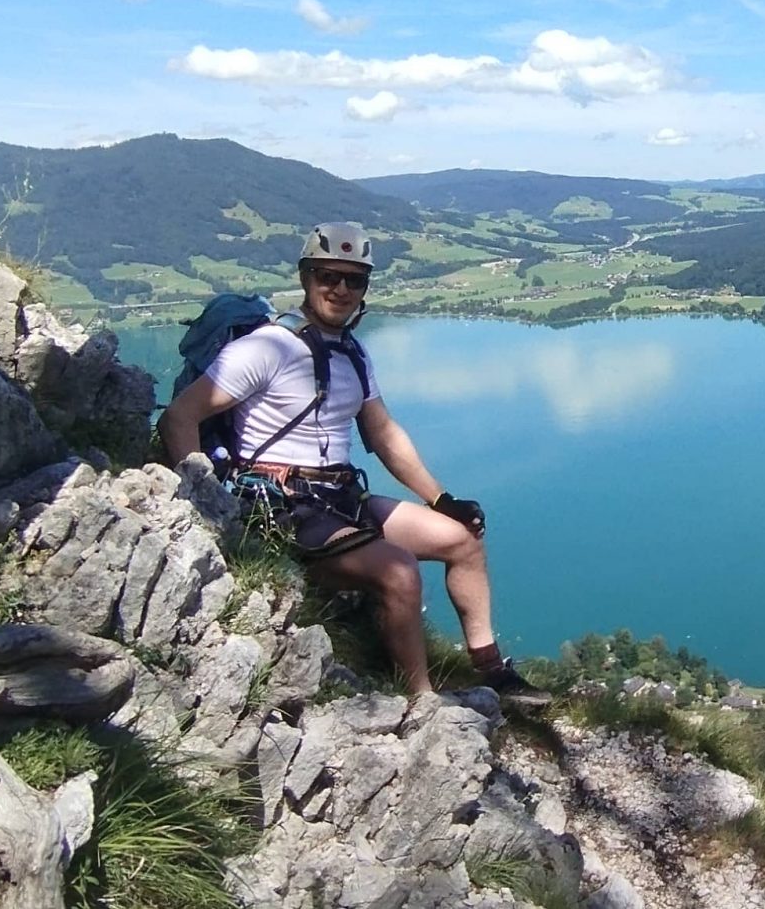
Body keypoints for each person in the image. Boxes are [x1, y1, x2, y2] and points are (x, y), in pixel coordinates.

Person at [158, 221, 549, 706]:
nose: (341, 289)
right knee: (399, 571)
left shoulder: (351, 351)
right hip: (280, 505)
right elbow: (180, 416)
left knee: (463, 540)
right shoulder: (266, 348)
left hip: (338, 496)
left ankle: (493, 672)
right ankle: (422, 700)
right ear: (306, 277)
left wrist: (441, 500)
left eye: (354, 279)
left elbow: (383, 434)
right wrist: (203, 508)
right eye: (328, 276)